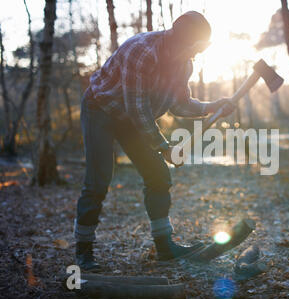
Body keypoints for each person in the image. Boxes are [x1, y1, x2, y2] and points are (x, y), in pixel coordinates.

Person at [75, 11, 234, 271]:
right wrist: (163, 146)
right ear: (181, 40)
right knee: (98, 182)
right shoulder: (141, 51)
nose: (197, 55)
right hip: (101, 109)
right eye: (197, 48)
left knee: (159, 176)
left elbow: (180, 104)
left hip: (132, 119)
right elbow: (137, 107)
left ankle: (164, 247)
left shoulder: (185, 64)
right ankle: (83, 253)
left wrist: (211, 106)